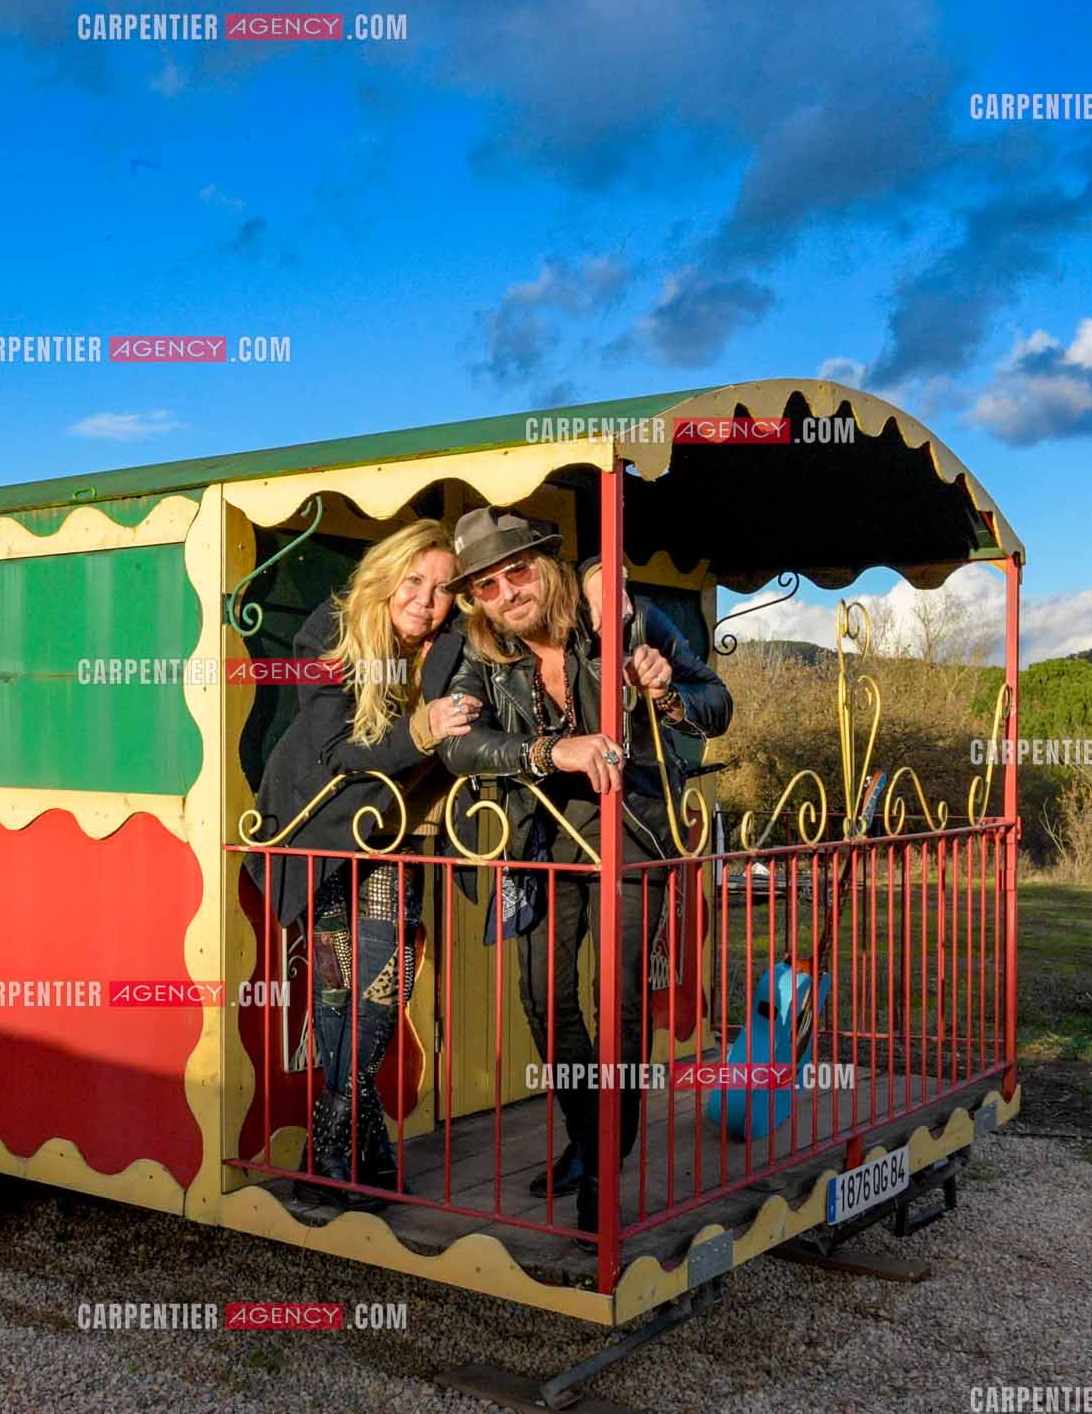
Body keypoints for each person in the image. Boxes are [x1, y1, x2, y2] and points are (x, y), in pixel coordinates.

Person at [436, 508, 731, 1230]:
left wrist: (664, 692)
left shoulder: (622, 618)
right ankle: (590, 1134)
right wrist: (546, 753)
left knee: (621, 1002)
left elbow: (716, 703)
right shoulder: (478, 649)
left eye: (518, 570)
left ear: (547, 564)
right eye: (487, 585)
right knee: (544, 995)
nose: (507, 591)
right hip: (540, 837)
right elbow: (459, 744)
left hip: (630, 831)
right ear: (475, 600)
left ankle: (605, 1162)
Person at [245, 518, 479, 1210]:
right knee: (338, 993)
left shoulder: (454, 644)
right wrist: (421, 728)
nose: (425, 599)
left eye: (442, 589)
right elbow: (337, 749)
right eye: (414, 581)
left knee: (382, 985)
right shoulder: (329, 634)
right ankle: (360, 1159)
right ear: (386, 577)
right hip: (317, 824)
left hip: (391, 833)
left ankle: (327, 1158)